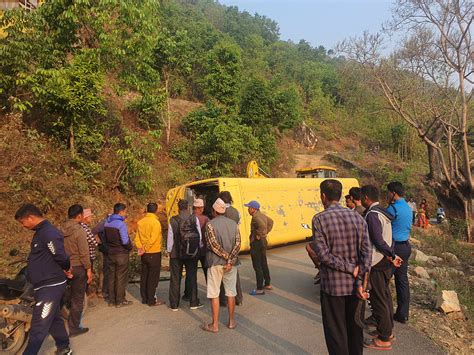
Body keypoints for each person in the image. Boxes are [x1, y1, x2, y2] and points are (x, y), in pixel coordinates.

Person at [312, 180, 371, 355]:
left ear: (323, 196)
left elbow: (323, 255)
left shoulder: (319, 219)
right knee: (355, 330)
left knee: (336, 333)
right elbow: (367, 253)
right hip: (356, 287)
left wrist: (348, 267)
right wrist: (359, 277)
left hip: (333, 288)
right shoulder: (358, 218)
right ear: (339, 195)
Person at [14, 204, 72, 355]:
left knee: (38, 326)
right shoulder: (39, 233)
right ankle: (64, 347)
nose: (23, 225)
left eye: (23, 222)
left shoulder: (48, 233)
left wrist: (66, 268)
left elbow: (60, 255)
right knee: (53, 318)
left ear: (31, 218)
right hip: (42, 285)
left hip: (50, 286)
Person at [361, 185, 402, 351]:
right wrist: (391, 255)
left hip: (376, 262)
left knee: (378, 299)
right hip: (384, 261)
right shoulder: (384, 213)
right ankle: (387, 331)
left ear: (365, 198)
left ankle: (384, 338)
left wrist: (390, 255)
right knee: (385, 297)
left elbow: (377, 240)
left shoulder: (372, 215)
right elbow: (389, 239)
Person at [201, 198, 241, 333]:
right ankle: (231, 321)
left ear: (214, 211)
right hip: (231, 264)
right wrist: (230, 260)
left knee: (214, 294)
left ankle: (215, 325)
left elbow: (213, 245)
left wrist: (225, 258)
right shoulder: (234, 224)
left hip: (215, 263)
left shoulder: (210, 225)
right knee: (231, 292)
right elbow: (238, 244)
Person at [61, 204, 92, 337]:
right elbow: (84, 253)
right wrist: (89, 269)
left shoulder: (60, 229)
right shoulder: (80, 231)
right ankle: (74, 328)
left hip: (64, 267)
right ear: (79, 216)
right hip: (78, 267)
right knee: (78, 298)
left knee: (65, 295)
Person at [167, 199, 203, 311]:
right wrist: (198, 247)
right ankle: (193, 302)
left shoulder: (173, 220)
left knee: (175, 278)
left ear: (178, 208)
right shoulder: (194, 218)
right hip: (191, 253)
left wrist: (169, 251)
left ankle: (174, 304)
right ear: (188, 207)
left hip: (176, 253)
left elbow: (170, 238)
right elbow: (199, 235)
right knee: (192, 276)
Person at [386, 181, 413, 323]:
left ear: (393, 193)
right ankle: (403, 314)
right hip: (405, 247)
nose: (387, 195)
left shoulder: (392, 209)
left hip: (393, 248)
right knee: (402, 281)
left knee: (383, 280)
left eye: (388, 192)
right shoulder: (408, 208)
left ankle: (382, 314)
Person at [135, 202, 165, 306]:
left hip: (144, 253)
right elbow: (153, 238)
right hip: (154, 252)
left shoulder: (141, 222)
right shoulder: (155, 222)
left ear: (146, 210)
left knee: (145, 275)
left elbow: (137, 238)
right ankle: (151, 300)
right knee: (153, 277)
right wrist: (146, 248)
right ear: (156, 210)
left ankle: (144, 298)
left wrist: (140, 248)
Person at [104, 203, 133, 307]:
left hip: (111, 254)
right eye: (125, 212)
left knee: (111, 277)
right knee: (120, 277)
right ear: (121, 212)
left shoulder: (107, 223)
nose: (125, 214)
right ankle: (120, 300)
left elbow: (105, 239)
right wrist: (130, 247)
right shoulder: (121, 224)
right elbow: (125, 241)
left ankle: (111, 300)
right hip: (121, 254)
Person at [218, 191, 243, 306]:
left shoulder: (221, 211)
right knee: (234, 272)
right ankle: (238, 298)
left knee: (222, 272)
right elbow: (238, 224)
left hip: (223, 244)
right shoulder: (236, 211)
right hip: (234, 243)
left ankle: (223, 300)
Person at [245, 200, 274, 295]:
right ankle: (267, 283)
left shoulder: (255, 218)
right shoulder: (261, 215)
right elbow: (271, 222)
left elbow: (262, 226)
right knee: (263, 262)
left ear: (254, 209)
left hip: (257, 243)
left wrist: (259, 233)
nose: (248, 209)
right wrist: (265, 233)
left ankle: (259, 288)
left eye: (249, 208)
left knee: (257, 265)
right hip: (263, 241)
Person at [183, 198, 208, 303]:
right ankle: (213, 293)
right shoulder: (206, 219)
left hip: (192, 249)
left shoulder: (188, 219)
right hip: (204, 249)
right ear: (200, 208)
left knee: (191, 273)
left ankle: (188, 294)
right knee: (207, 271)